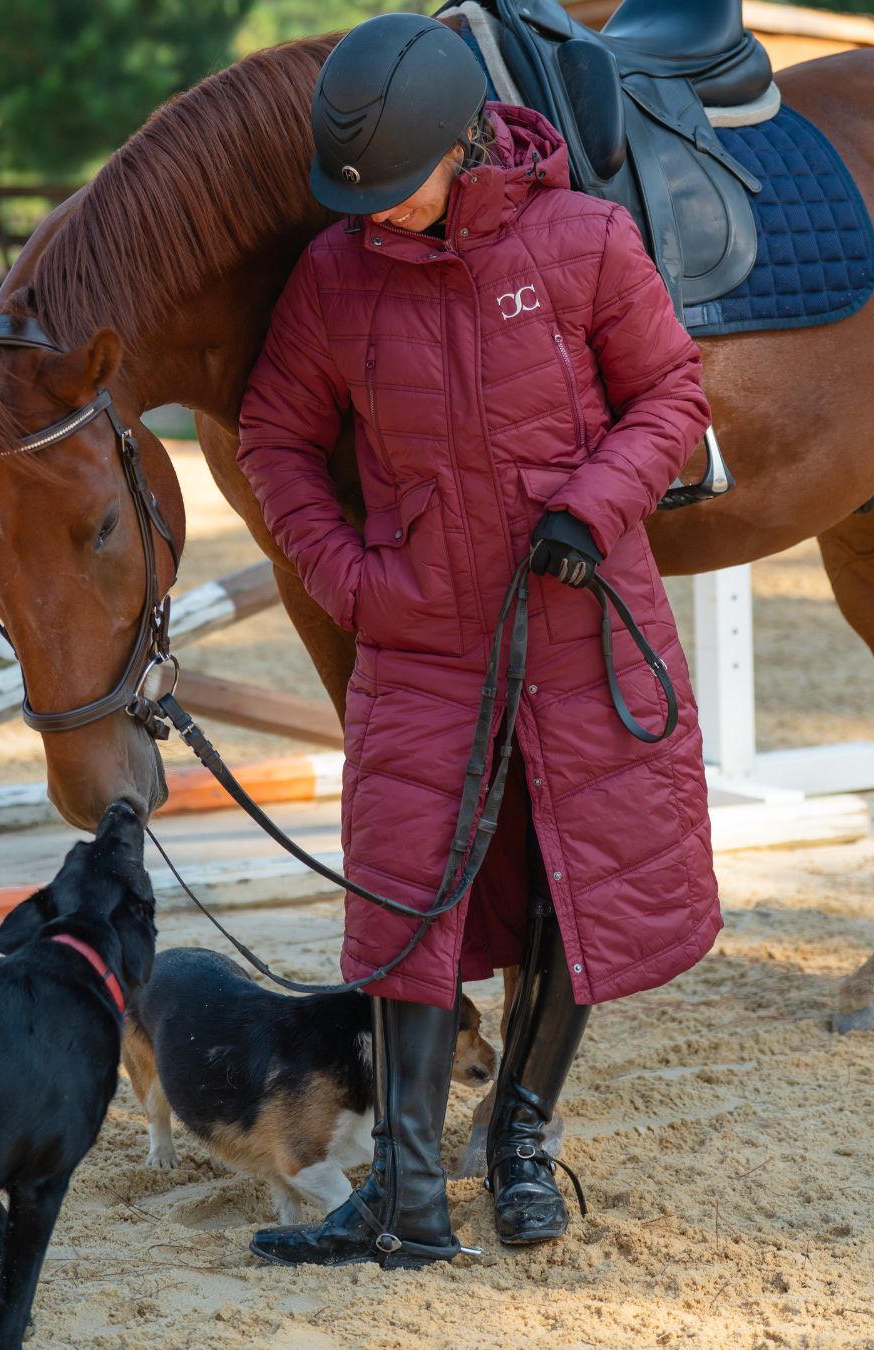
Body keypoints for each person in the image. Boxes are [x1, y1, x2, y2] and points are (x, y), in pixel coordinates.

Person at [236, 12, 721, 1268]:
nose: (379, 212)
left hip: (580, 626)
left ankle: (518, 1135)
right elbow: (274, 442)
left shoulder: (586, 240)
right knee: (402, 897)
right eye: (361, 195)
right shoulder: (334, 277)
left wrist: (593, 505)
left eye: (399, 188)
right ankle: (404, 1192)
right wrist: (349, 580)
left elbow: (672, 396)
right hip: (420, 637)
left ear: (464, 143)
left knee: (576, 882)